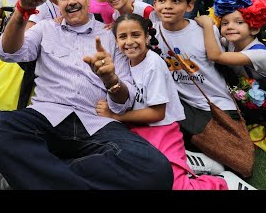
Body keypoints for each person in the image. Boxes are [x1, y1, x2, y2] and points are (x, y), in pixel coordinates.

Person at [0, 0, 173, 189]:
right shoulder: (44, 29)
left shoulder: (111, 35)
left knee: (155, 169)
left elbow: (124, 103)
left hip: (96, 123)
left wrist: (111, 80)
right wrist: (22, 11)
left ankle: (30, 178)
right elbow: (9, 52)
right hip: (46, 117)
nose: (71, 1)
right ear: (57, 3)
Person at [95, 13, 243, 190]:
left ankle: (225, 182)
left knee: (175, 186)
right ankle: (189, 160)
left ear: (147, 37)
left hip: (162, 129)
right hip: (140, 129)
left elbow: (158, 114)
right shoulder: (126, 62)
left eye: (135, 35)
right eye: (122, 36)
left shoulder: (153, 64)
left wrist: (115, 116)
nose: (129, 41)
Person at [149, 0, 240, 175]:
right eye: (162, 0)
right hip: (183, 106)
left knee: (230, 153)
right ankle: (200, 159)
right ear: (154, 4)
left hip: (216, 105)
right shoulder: (151, 33)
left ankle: (208, 160)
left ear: (189, 7)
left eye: (176, 1)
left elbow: (219, 58)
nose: (168, 6)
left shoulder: (203, 30)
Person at [195, 0, 266, 79]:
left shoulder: (260, 55)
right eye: (225, 23)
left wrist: (207, 25)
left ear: (254, 29)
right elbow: (214, 41)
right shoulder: (232, 42)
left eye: (239, 22)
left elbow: (215, 56)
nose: (229, 27)